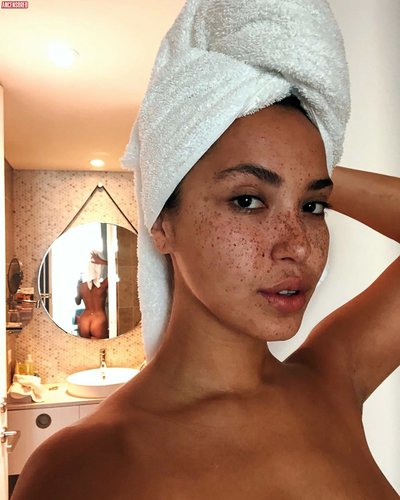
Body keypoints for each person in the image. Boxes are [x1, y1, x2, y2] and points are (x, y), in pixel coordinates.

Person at [12, 1, 399, 499]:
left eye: (312, 206)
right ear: (162, 223)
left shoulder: (332, 380)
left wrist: (307, 165)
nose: (298, 246)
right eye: (247, 200)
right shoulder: (83, 469)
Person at [74, 251, 109, 339]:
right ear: (99, 268)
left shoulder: (81, 286)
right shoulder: (103, 285)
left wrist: (77, 288)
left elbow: (77, 302)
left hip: (84, 320)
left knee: (86, 346)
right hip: (98, 319)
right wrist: (104, 262)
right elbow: (118, 268)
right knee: (100, 346)